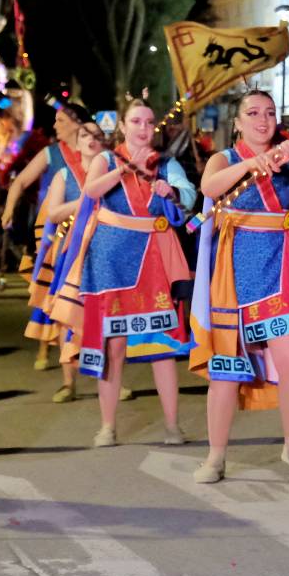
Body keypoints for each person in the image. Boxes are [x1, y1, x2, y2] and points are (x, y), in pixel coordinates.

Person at [190, 90, 289, 482]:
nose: (263, 120)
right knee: (227, 367)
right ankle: (215, 456)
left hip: (281, 266)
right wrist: (252, 164)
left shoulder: (285, 159)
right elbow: (209, 188)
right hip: (235, 269)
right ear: (238, 122)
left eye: (270, 113)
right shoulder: (225, 159)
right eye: (253, 113)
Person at [62, 98, 197, 448]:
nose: (143, 128)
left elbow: (190, 194)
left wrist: (173, 190)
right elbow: (90, 191)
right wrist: (123, 170)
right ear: (123, 126)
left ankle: (172, 425)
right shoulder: (108, 159)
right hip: (109, 258)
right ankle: (107, 426)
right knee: (113, 345)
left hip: (153, 257)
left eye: (149, 122)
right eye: (136, 121)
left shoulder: (165, 164)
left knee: (162, 346)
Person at [33, 114, 109, 404]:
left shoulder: (113, 172)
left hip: (105, 250)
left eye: (97, 136)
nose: (91, 140)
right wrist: (86, 199)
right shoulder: (64, 175)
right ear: (77, 144)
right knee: (68, 313)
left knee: (105, 316)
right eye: (85, 136)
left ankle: (111, 378)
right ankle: (68, 382)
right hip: (71, 251)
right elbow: (53, 213)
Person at [19, 103, 93, 373]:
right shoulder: (52, 154)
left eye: (60, 120)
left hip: (91, 232)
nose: (55, 125)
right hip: (53, 232)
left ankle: (102, 369)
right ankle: (47, 351)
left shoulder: (99, 155)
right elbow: (21, 182)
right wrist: (6, 211)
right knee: (52, 289)